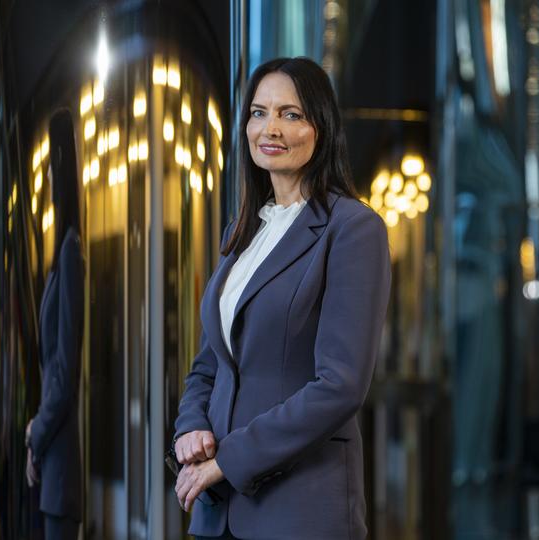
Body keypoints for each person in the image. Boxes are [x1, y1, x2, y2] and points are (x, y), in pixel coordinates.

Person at [172, 57, 391, 539]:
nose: (270, 127)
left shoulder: (352, 229)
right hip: (217, 512)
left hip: (299, 511)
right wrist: (189, 427)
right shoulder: (243, 232)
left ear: (321, 127)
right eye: (258, 112)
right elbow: (210, 363)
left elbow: (340, 385)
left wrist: (228, 460)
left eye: (291, 114)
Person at [25, 108, 84, 540]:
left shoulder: (69, 252)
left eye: (51, 167)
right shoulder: (61, 251)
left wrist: (35, 434)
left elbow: (64, 373)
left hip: (60, 465)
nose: (46, 180)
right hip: (55, 465)